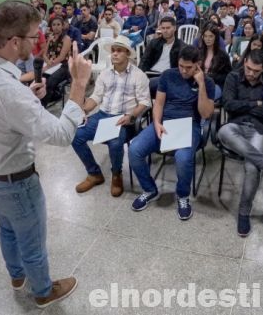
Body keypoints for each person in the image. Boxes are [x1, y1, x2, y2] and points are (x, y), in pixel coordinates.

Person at [0, 0, 93, 307]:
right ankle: (43, 291)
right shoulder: (9, 91)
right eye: (34, 36)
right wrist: (79, 85)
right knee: (32, 243)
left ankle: (16, 275)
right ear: (15, 41)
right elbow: (61, 135)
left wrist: (26, 102)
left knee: (7, 229)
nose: (39, 41)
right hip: (14, 183)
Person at [128, 46, 215, 220]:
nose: (183, 70)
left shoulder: (207, 82)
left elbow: (205, 114)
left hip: (190, 126)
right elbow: (158, 104)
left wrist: (201, 84)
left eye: (188, 67)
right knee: (134, 149)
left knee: (183, 158)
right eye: (181, 65)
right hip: (165, 123)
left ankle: (183, 196)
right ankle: (149, 189)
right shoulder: (168, 75)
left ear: (197, 65)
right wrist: (158, 123)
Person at [217, 49, 263, 236]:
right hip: (235, 126)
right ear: (245, 61)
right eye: (248, 68)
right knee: (223, 131)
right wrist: (256, 104)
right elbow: (228, 104)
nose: (250, 73)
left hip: (258, 129)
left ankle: (243, 212)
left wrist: (244, 105)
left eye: (256, 71)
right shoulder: (233, 77)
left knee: (253, 166)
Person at [72, 35, 151, 197]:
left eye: (119, 51)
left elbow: (145, 102)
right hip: (102, 115)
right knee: (75, 135)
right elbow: (96, 98)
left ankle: (116, 174)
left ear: (127, 54)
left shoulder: (139, 75)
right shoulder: (105, 74)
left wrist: (131, 115)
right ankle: (94, 173)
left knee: (115, 142)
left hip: (125, 119)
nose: (114, 54)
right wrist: (84, 111)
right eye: (113, 51)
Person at [139, 17, 186, 95]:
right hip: (151, 73)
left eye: (168, 28)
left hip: (168, 76)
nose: (165, 30)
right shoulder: (154, 43)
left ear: (174, 28)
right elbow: (144, 60)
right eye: (163, 28)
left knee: (149, 85)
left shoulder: (181, 46)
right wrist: (139, 75)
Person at [41, 17, 72, 105]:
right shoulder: (50, 37)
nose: (56, 27)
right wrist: (47, 62)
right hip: (50, 64)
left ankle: (42, 106)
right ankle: (51, 96)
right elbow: (44, 54)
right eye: (54, 25)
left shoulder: (66, 39)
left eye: (58, 24)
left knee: (50, 81)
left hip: (63, 66)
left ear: (62, 26)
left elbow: (62, 57)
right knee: (38, 77)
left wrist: (48, 66)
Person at [197, 24, 232, 100]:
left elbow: (228, 75)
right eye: (205, 36)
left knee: (205, 97)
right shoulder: (198, 53)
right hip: (199, 83)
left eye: (211, 36)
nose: (207, 39)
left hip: (216, 84)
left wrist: (211, 76)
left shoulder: (223, 55)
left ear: (215, 37)